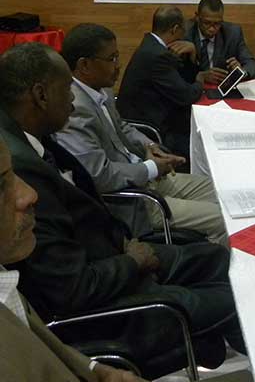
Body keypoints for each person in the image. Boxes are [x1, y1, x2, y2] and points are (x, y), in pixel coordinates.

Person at [0, 42, 246, 368]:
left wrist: (125, 247)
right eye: (67, 89)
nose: (72, 98)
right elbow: (70, 288)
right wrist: (131, 262)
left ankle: (236, 347)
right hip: (106, 307)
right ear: (41, 95)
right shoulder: (19, 167)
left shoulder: (30, 137)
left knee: (217, 258)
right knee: (239, 299)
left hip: (114, 257)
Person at [55, 23, 227, 244]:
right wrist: (151, 168)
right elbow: (99, 175)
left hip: (146, 178)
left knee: (224, 193)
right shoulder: (72, 108)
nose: (118, 65)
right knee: (222, 219)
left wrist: (150, 146)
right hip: (133, 202)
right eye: (112, 59)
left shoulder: (101, 88)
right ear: (84, 65)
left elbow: (122, 127)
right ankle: (209, 262)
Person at [1, 136, 148, 381]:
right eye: (1, 184)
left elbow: (40, 347)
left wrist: (96, 370)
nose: (29, 194)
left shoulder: (4, 273)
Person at [117, 6, 219, 159]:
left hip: (152, 114)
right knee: (204, 146)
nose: (184, 35)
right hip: (152, 128)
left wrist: (192, 53)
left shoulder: (152, 45)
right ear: (175, 29)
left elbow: (181, 79)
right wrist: (200, 80)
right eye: (182, 30)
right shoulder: (157, 55)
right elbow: (186, 95)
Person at [181, 0, 255, 82]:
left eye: (217, 24)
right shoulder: (184, 33)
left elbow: (253, 65)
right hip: (193, 86)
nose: (211, 29)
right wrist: (200, 76)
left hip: (221, 86)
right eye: (207, 23)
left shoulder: (232, 33)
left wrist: (241, 72)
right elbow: (175, 71)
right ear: (197, 17)